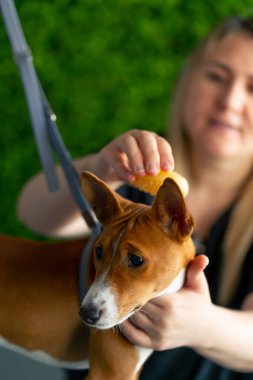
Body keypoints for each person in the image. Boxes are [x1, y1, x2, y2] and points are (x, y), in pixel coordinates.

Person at [17, 16, 253, 380]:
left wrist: (205, 327)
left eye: (252, 87)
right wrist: (104, 167)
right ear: (187, 80)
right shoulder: (139, 175)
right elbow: (33, 213)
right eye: (216, 76)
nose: (230, 100)